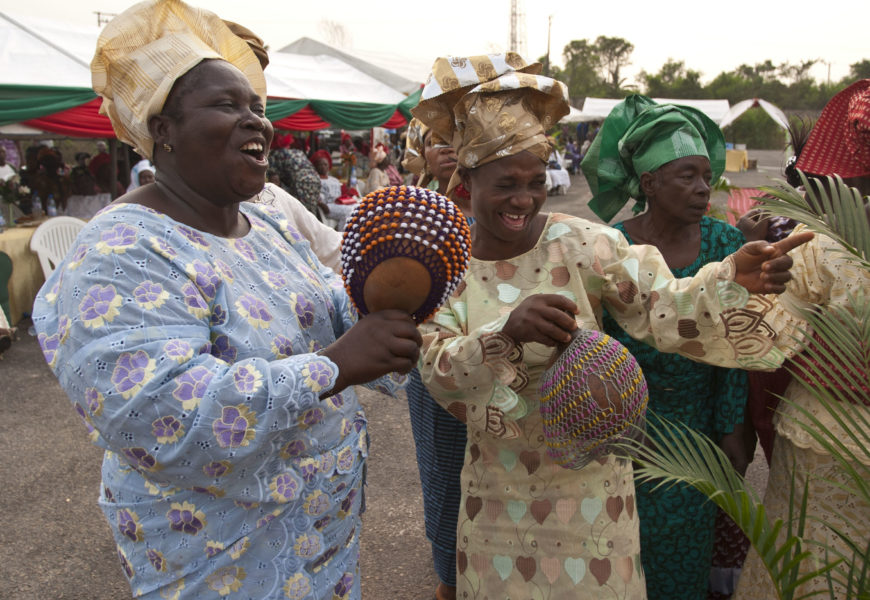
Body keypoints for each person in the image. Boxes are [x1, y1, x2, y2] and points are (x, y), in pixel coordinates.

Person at [32, 2, 422, 598]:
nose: (257, 123)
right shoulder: (119, 252)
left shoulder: (267, 225)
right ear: (161, 130)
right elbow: (159, 418)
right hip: (222, 559)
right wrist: (335, 366)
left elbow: (340, 317)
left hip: (324, 543)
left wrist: (408, 302)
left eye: (258, 109)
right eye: (227, 106)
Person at [413, 53, 812, 599]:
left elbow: (665, 305)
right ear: (468, 179)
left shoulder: (584, 243)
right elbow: (436, 369)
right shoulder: (445, 266)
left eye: (535, 181)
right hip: (499, 501)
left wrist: (731, 277)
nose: (524, 199)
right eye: (506, 183)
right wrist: (505, 336)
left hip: (594, 499)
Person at [584, 95, 750, 599]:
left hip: (694, 437)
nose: (704, 188)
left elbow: (734, 352)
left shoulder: (725, 246)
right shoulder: (608, 247)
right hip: (624, 434)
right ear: (649, 183)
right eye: (687, 176)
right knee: (615, 557)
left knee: (682, 564)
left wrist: (731, 433)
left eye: (706, 175)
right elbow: (590, 345)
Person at [734, 79, 870, 600]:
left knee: (811, 569)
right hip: (821, 442)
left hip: (820, 430)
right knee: (812, 561)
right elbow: (761, 339)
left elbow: (758, 343)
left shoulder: (819, 247)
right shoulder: (816, 248)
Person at [401, 117, 466, 600]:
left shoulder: (494, 200)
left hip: (493, 360)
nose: (448, 149)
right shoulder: (410, 206)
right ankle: (449, 577)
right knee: (445, 472)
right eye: (435, 140)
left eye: (457, 139)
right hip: (433, 363)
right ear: (419, 150)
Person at [268, 133, 323, 218]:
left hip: (300, 182)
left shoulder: (274, 154)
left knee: (299, 213)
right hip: (315, 180)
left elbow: (274, 181)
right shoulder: (297, 152)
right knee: (310, 214)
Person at [311, 149, 353, 231]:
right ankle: (342, 235)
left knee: (357, 207)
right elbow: (316, 196)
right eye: (320, 164)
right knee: (349, 211)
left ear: (329, 166)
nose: (323, 166)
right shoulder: (315, 180)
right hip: (327, 206)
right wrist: (322, 204)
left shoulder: (334, 180)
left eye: (325, 164)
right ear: (315, 166)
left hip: (338, 203)